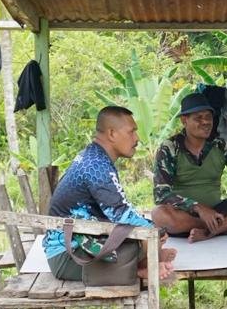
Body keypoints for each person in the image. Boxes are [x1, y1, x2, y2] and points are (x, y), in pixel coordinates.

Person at [42, 106, 174, 282]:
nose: (137, 138)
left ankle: (143, 262)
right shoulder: (96, 166)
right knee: (148, 237)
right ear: (112, 134)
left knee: (146, 236)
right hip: (68, 256)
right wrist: (157, 230)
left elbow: (118, 210)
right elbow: (121, 214)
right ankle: (139, 268)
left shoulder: (95, 157)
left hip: (78, 244)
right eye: (132, 132)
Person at [151, 93, 227, 242]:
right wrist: (197, 207)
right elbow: (161, 194)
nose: (205, 122)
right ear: (184, 120)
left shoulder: (220, 146)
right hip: (185, 215)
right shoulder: (169, 147)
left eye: (208, 117)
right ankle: (224, 226)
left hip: (217, 210)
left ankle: (212, 230)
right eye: (198, 118)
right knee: (159, 214)